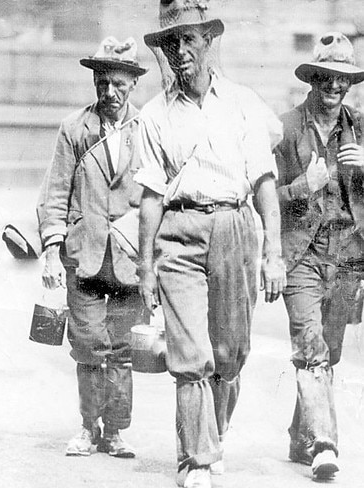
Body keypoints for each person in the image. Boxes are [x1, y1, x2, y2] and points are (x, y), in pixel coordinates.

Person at [136, 1, 286, 487]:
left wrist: (274, 253)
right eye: (172, 42)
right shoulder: (154, 115)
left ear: (208, 42)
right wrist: (145, 268)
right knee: (190, 354)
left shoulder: (242, 102)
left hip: (234, 229)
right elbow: (151, 198)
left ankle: (211, 436)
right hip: (179, 236)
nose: (181, 51)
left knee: (229, 353)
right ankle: (196, 460)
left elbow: (264, 183)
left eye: (190, 40)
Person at [37, 36, 147, 458]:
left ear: (133, 83)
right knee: (86, 345)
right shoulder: (74, 129)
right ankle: (88, 426)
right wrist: (51, 248)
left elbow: (159, 193)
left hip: (129, 256)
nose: (110, 92)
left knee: (121, 347)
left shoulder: (147, 128)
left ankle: (116, 430)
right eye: (103, 83)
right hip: (84, 254)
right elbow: (55, 192)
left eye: (119, 84)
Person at [274, 32, 364, 481]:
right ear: (313, 79)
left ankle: (300, 435)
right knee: (311, 349)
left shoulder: (362, 128)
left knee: (328, 352)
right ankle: (325, 444)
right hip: (301, 258)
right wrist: (301, 188)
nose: (335, 86)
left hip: (348, 258)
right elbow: (262, 197)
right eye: (327, 77)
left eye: (343, 79)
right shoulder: (288, 127)